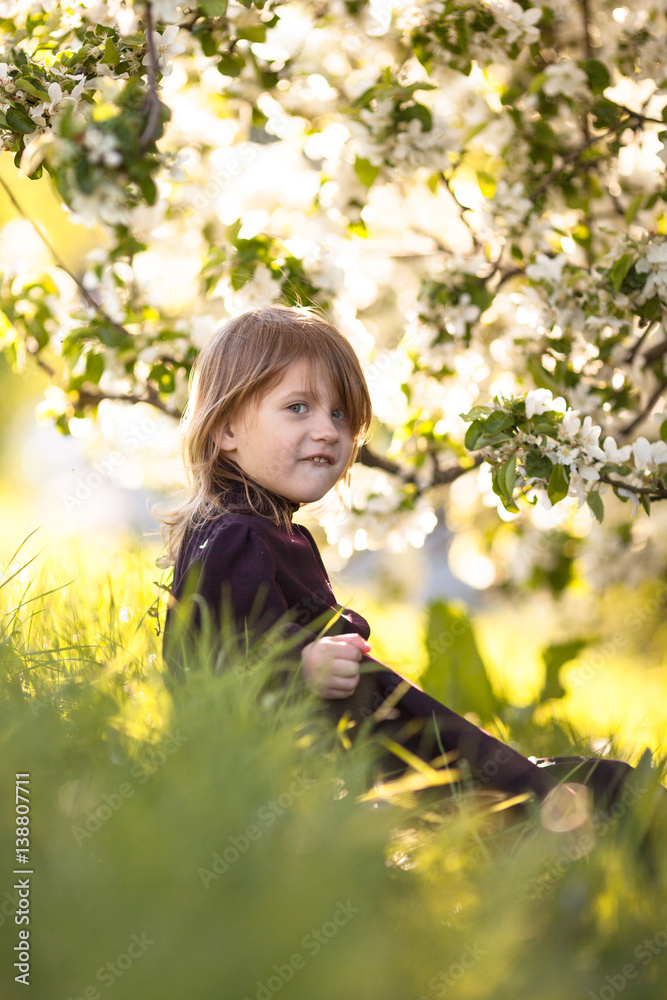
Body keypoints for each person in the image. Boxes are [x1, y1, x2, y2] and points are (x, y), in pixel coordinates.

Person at [155, 303, 664, 831]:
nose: (328, 430)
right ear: (226, 428)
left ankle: (572, 803)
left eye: (340, 414)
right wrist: (298, 668)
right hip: (321, 777)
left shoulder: (264, 530)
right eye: (298, 407)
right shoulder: (238, 537)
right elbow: (211, 671)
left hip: (356, 760)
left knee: (534, 781)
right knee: (539, 791)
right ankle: (574, 809)